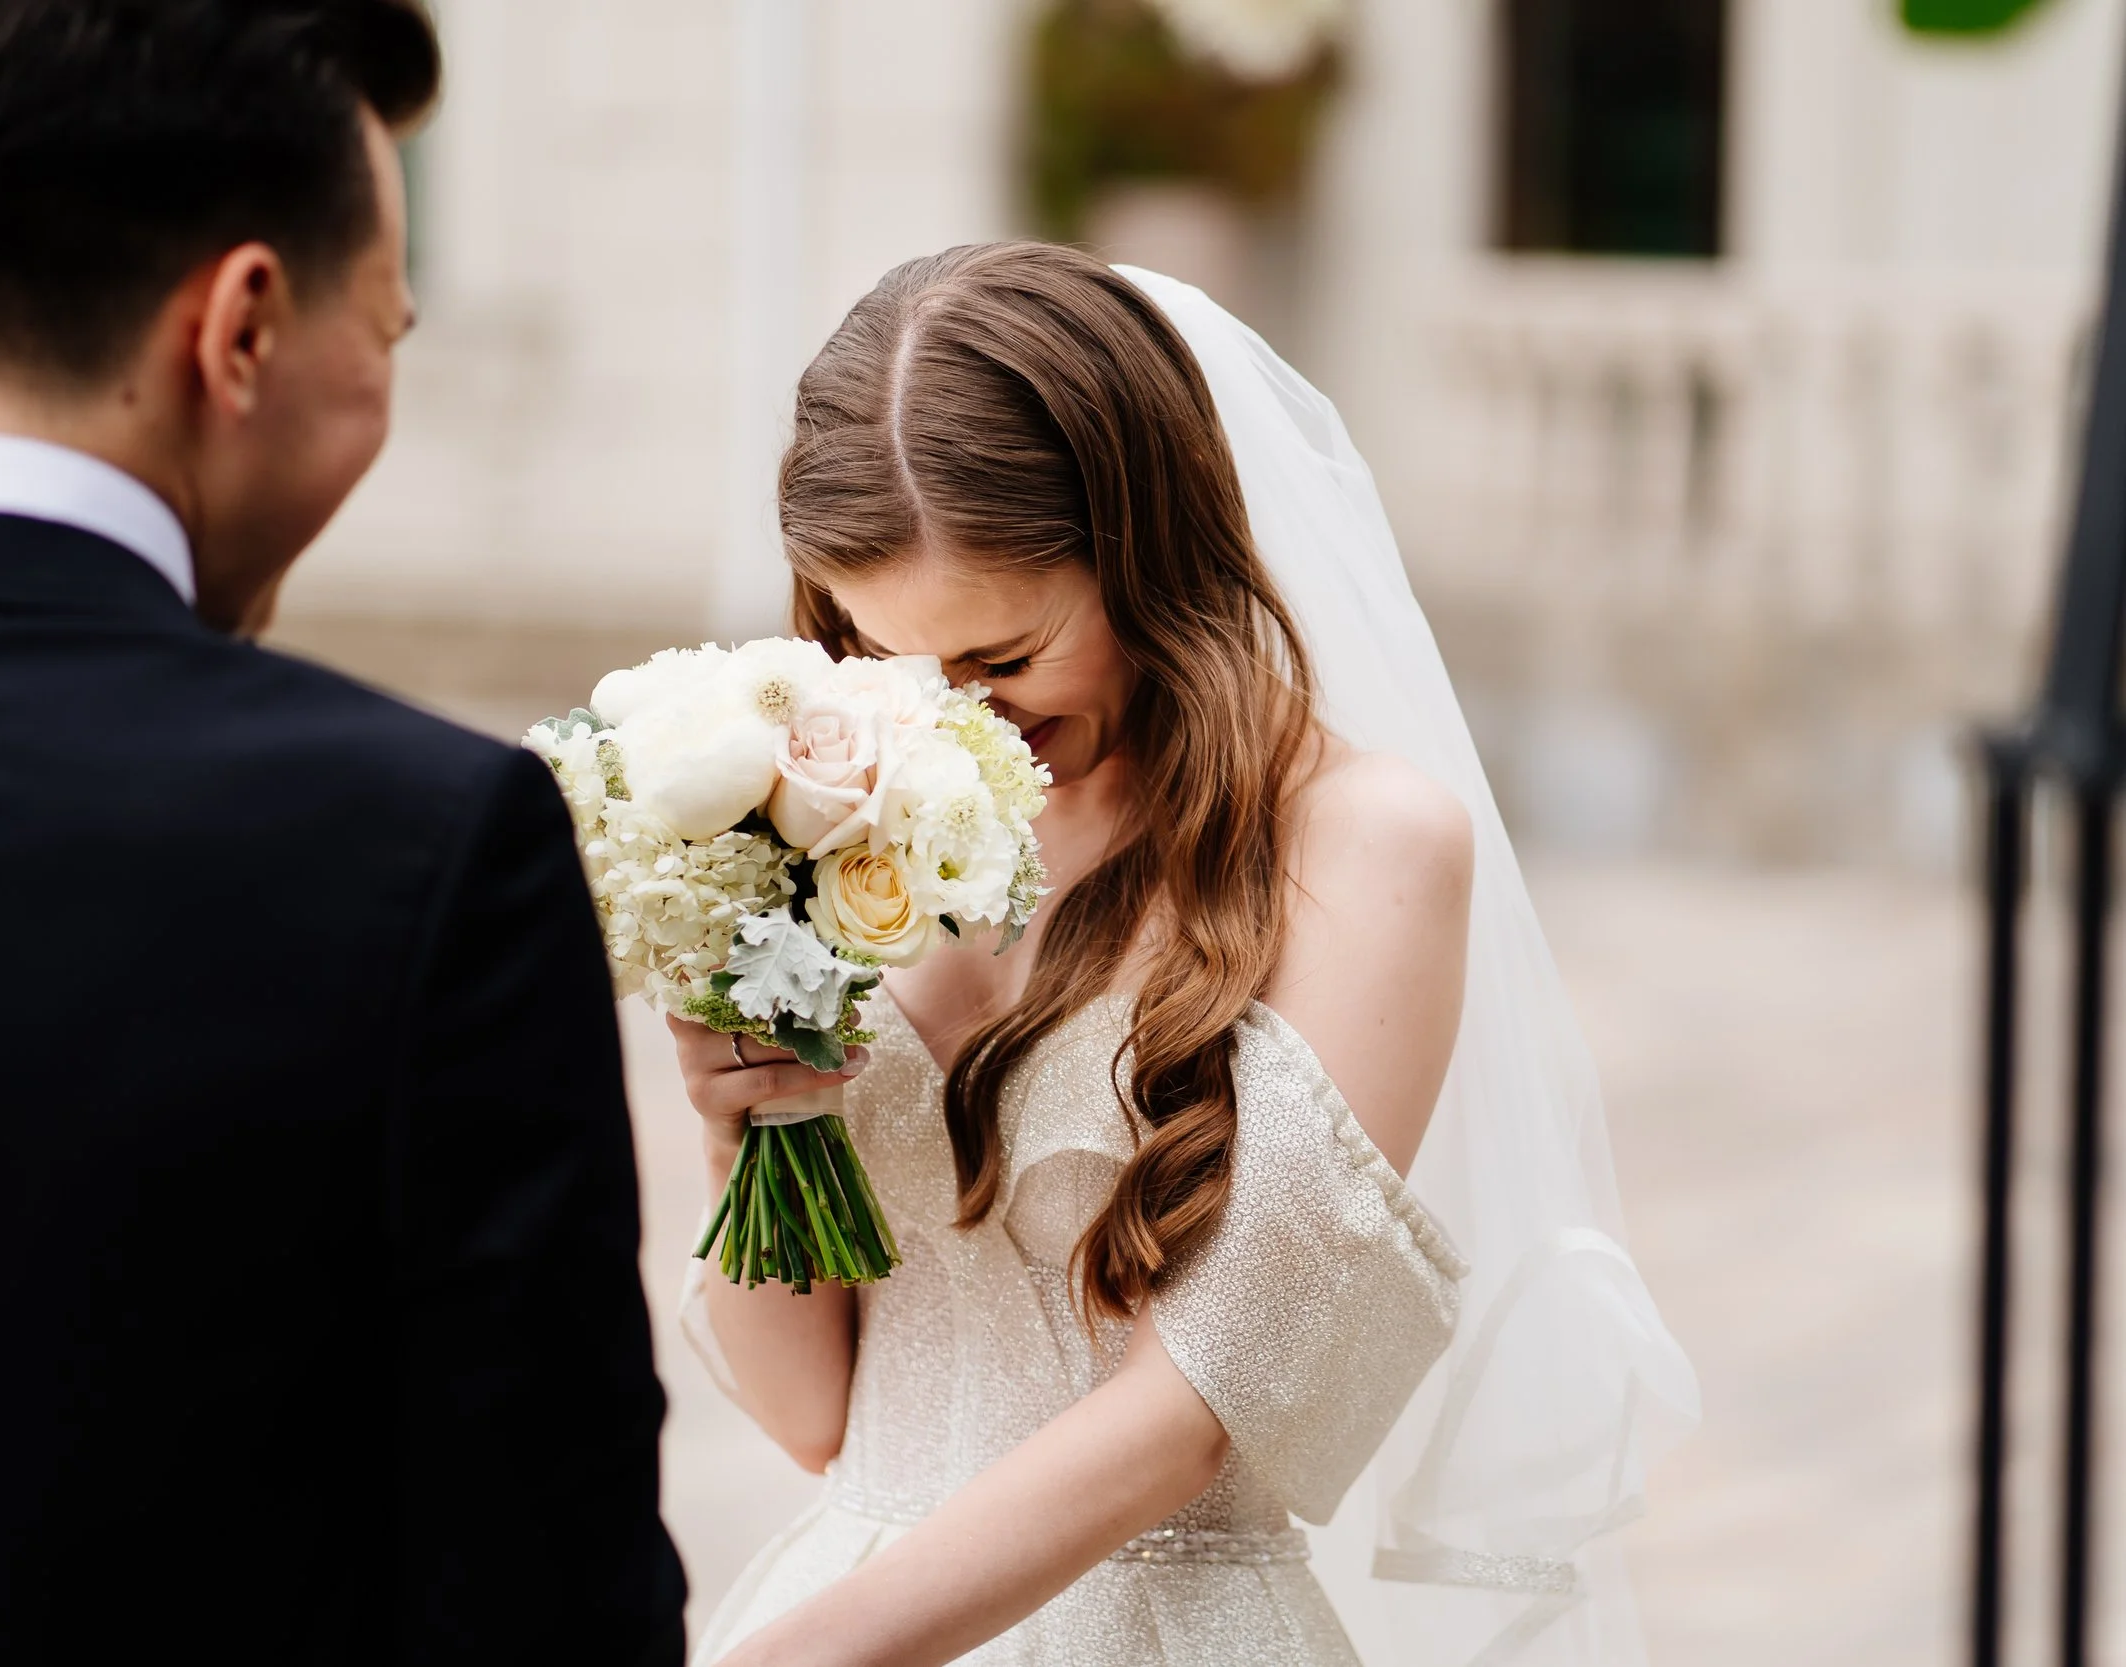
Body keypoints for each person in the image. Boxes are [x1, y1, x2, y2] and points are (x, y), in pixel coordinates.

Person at [0, 3, 684, 1663]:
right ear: (242, 326)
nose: (383, 379)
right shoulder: (430, 844)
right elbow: (550, 1603)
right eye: (389, 334)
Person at [673, 243, 1697, 1666]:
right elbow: (815, 1417)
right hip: (847, 1588)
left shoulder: (1363, 847)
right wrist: (751, 1123)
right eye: (885, 657)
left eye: (1005, 659)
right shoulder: (827, 808)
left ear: (1146, 550)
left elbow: (1193, 1408)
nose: (949, 720)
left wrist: (806, 1656)